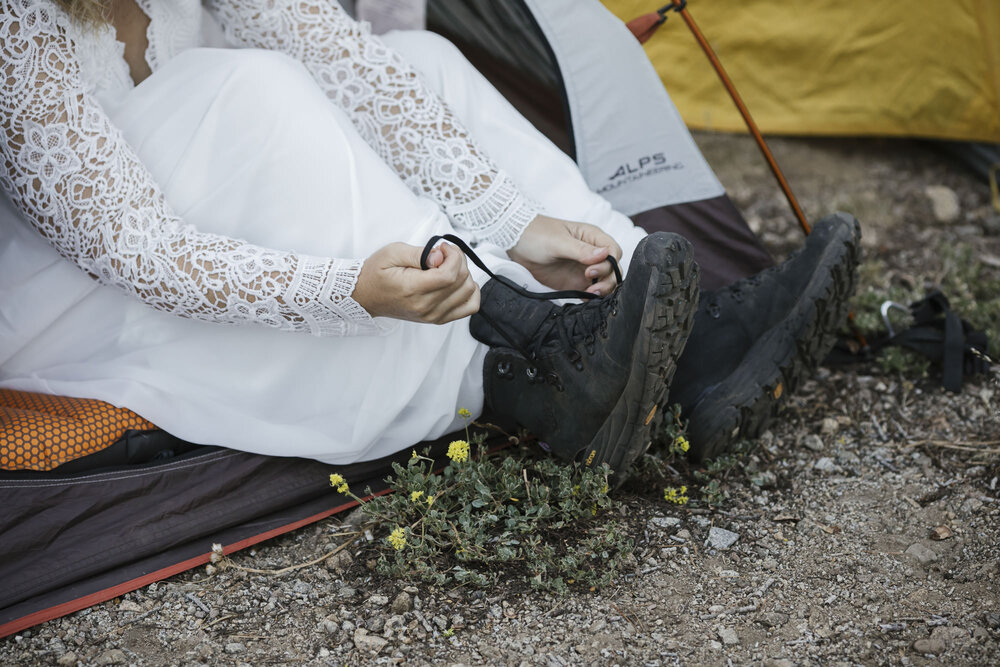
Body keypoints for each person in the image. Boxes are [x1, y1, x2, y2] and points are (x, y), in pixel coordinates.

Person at [0, 0, 858, 477]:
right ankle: (535, 362)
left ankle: (675, 328)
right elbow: (133, 243)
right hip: (92, 293)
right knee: (246, 91)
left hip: (192, 216)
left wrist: (513, 225)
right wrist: (347, 290)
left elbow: (346, 58)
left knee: (420, 61)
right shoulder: (15, 25)